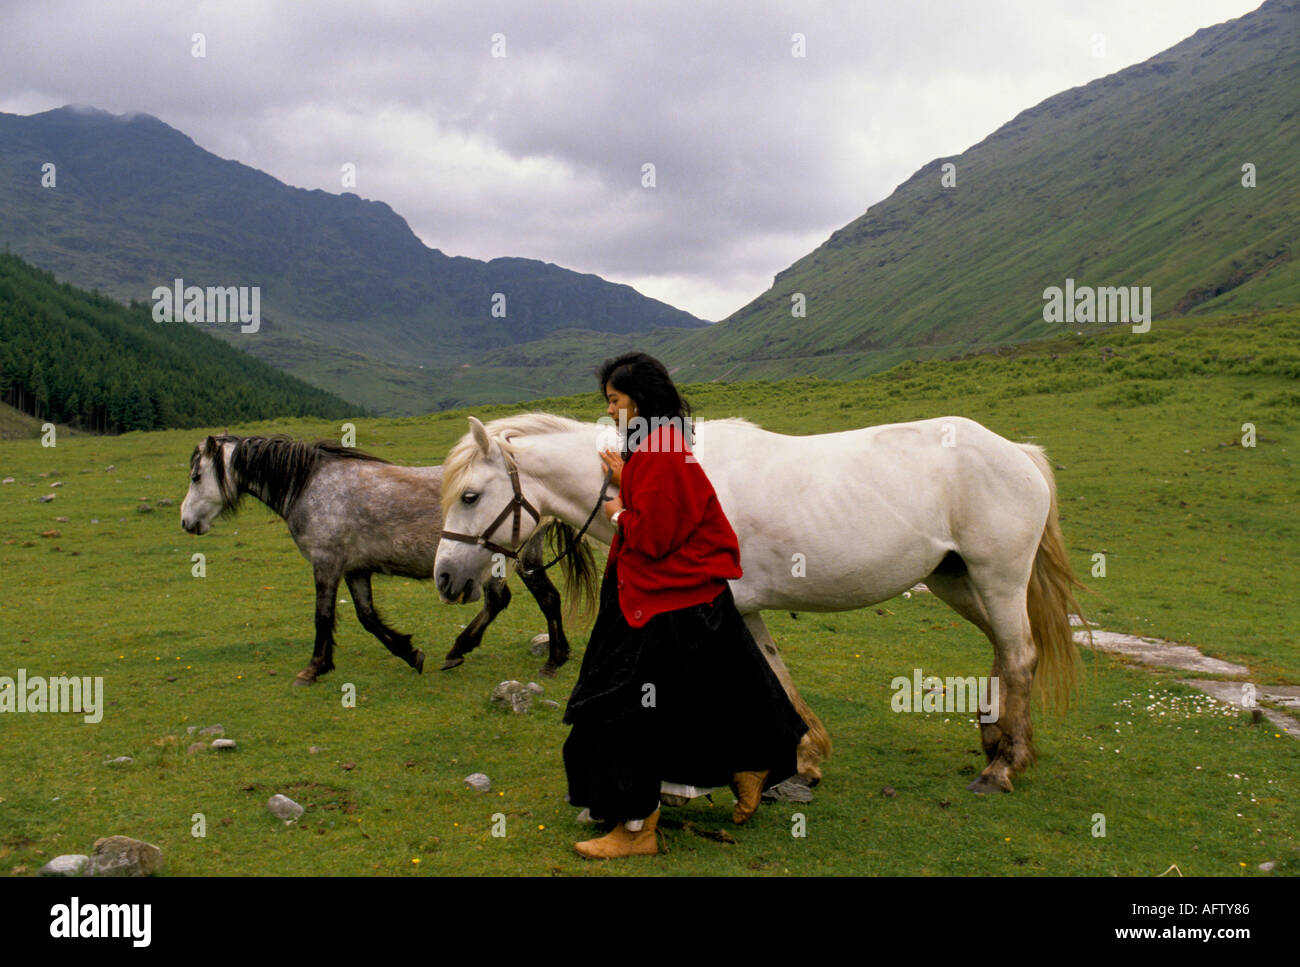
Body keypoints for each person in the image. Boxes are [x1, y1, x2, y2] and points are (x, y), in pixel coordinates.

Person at [562, 351, 809, 859]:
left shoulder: (661, 455)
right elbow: (661, 506)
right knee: (694, 698)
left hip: (660, 597)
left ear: (641, 401)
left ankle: (637, 831)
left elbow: (653, 537)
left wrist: (615, 510)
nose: (609, 411)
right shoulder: (660, 449)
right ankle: (748, 763)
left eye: (615, 400)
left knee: (623, 709)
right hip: (680, 594)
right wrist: (627, 476)